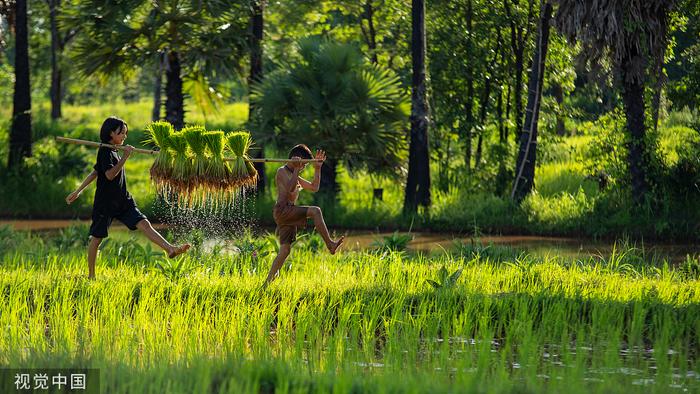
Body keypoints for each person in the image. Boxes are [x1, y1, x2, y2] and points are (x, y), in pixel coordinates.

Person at [66, 116, 190, 279]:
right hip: (106, 203)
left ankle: (170, 249)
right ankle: (91, 276)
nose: (125, 136)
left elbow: (96, 171)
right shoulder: (105, 151)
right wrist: (125, 157)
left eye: (125, 133)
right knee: (97, 238)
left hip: (123, 200)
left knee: (144, 223)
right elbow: (108, 175)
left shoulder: (114, 150)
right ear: (111, 133)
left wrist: (78, 190)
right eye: (122, 133)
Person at [263, 144, 344, 285]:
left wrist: (317, 168)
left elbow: (314, 187)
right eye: (304, 164)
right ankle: (330, 244)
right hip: (283, 210)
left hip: (288, 212)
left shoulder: (295, 173)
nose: (304, 167)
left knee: (285, 250)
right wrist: (295, 169)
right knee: (316, 211)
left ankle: (268, 281)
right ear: (296, 160)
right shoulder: (282, 171)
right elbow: (290, 189)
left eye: (306, 165)